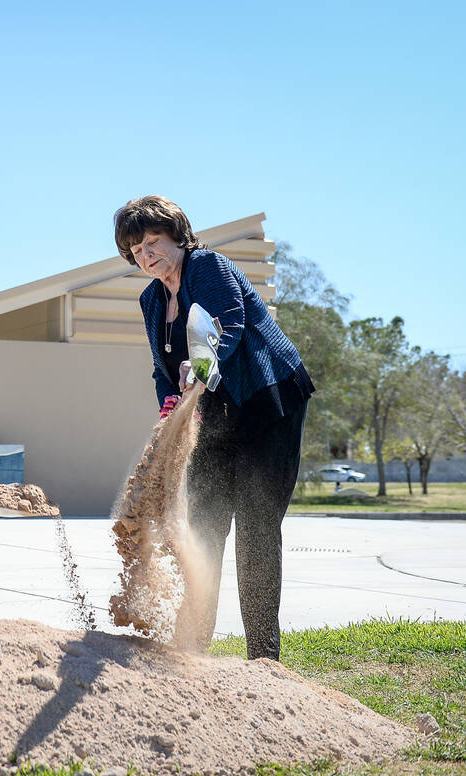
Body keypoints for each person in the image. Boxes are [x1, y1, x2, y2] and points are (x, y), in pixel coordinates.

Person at [114, 195, 314, 661]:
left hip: (267, 405)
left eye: (153, 241)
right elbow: (162, 367)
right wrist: (169, 404)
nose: (147, 254)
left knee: (257, 527)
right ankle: (193, 646)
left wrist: (199, 367)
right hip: (212, 418)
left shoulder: (208, 266)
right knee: (204, 527)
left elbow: (226, 325)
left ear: (177, 235)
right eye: (136, 249)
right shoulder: (151, 299)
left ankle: (264, 657)